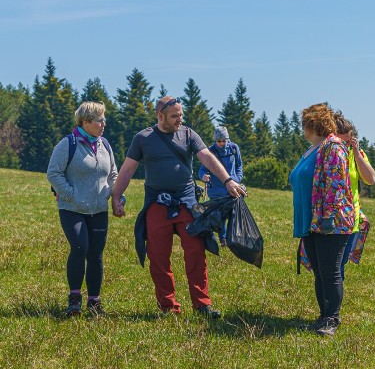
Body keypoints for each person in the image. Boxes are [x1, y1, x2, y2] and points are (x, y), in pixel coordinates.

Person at [111, 96, 246, 318]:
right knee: (158, 256)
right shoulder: (143, 138)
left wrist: (228, 180)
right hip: (157, 203)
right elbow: (127, 170)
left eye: (181, 115)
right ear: (160, 115)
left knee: (196, 253)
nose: (179, 120)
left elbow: (208, 159)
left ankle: (202, 305)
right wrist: (117, 196)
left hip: (187, 202)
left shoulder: (189, 134)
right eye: (174, 116)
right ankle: (168, 307)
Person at [288, 103, 355, 337]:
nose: (302, 129)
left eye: (304, 124)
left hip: (330, 221)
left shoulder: (333, 147)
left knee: (330, 271)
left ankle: (332, 319)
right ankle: (322, 316)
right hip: (312, 220)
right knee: (319, 271)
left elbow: (336, 183)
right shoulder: (312, 149)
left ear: (312, 125)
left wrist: (328, 216)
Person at [47, 101, 118, 316]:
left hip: (98, 210)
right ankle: (74, 299)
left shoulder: (104, 144)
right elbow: (53, 173)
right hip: (72, 209)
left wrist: (114, 194)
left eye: (104, 119)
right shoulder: (67, 144)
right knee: (80, 248)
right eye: (99, 120)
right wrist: (70, 195)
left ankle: (94, 302)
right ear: (85, 122)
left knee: (96, 254)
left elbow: (113, 173)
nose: (103, 123)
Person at [333, 111, 375, 280]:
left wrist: (357, 154)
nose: (343, 147)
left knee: (340, 263)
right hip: (329, 217)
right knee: (331, 266)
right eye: (340, 142)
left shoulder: (356, 153)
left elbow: (370, 179)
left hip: (351, 218)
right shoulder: (325, 152)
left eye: (348, 142)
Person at [198, 126, 243, 199]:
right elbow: (202, 170)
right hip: (215, 192)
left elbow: (239, 165)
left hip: (232, 189)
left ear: (227, 139)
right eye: (219, 141)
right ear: (215, 140)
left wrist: (238, 178)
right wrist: (203, 176)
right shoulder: (210, 151)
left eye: (224, 140)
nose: (222, 143)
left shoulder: (234, 148)